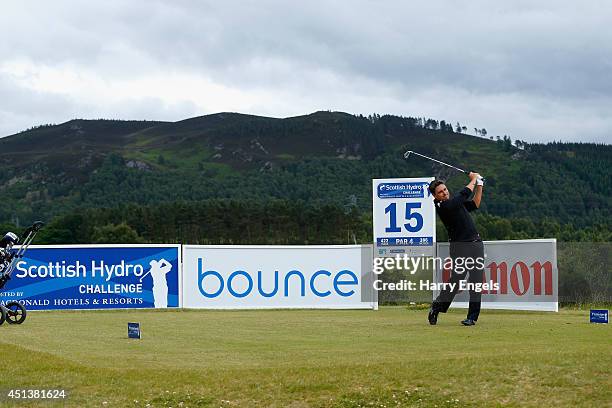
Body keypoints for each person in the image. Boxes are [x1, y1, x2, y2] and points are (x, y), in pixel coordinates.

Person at [428, 172, 485, 326]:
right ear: (435, 196)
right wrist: (473, 179)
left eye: (445, 189)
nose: (444, 193)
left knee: (476, 281)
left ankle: (472, 317)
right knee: (457, 280)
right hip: (460, 247)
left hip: (476, 243)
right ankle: (437, 306)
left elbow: (475, 204)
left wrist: (479, 185)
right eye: (440, 192)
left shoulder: (454, 202)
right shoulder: (443, 206)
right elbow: (464, 194)